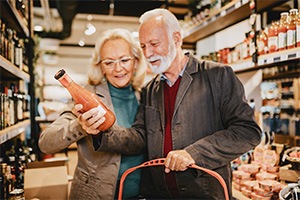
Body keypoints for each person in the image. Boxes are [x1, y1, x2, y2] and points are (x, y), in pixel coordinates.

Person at [75, 9, 262, 199]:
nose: (148, 53)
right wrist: (100, 131)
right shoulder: (150, 90)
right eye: (143, 46)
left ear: (177, 39)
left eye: (154, 44)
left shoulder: (217, 76)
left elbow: (247, 131)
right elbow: (139, 137)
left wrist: (194, 153)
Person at [38, 28, 148, 200]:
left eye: (124, 60)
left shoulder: (145, 97)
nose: (118, 68)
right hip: (95, 194)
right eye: (109, 62)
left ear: (136, 62)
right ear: (101, 67)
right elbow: (46, 143)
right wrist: (79, 126)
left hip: (140, 193)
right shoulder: (88, 97)